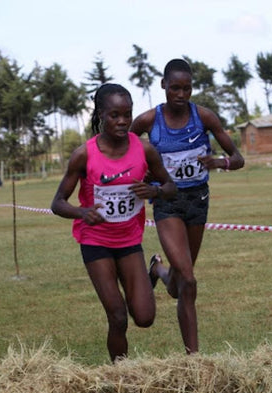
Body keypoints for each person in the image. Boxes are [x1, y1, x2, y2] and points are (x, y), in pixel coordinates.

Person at [51, 83, 176, 363]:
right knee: (118, 316)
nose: (122, 121)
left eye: (127, 114)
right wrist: (82, 212)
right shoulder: (84, 154)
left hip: (129, 241)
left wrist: (154, 191)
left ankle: (153, 271)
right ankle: (119, 376)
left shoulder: (145, 150)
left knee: (144, 318)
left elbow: (170, 186)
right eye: (114, 115)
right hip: (95, 242)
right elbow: (57, 203)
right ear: (101, 115)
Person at [132, 58, 244, 355]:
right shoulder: (147, 121)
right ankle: (194, 360)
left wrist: (219, 162)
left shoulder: (204, 117)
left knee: (180, 283)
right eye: (175, 88)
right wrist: (141, 178)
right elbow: (123, 149)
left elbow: (238, 157)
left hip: (198, 201)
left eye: (187, 88)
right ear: (163, 86)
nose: (181, 94)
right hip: (167, 202)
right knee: (190, 280)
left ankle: (157, 269)